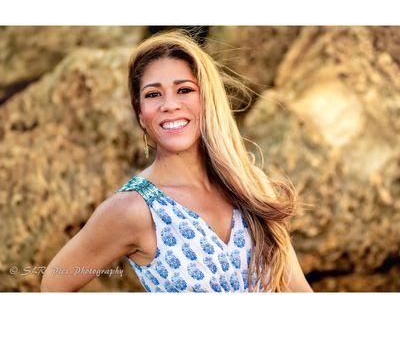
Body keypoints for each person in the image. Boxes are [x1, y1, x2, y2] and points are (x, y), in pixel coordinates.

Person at [41, 29, 313, 292]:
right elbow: (54, 284)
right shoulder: (133, 209)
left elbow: (298, 291)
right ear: (140, 115)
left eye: (183, 90)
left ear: (207, 100)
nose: (169, 105)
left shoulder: (251, 184)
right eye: (153, 94)